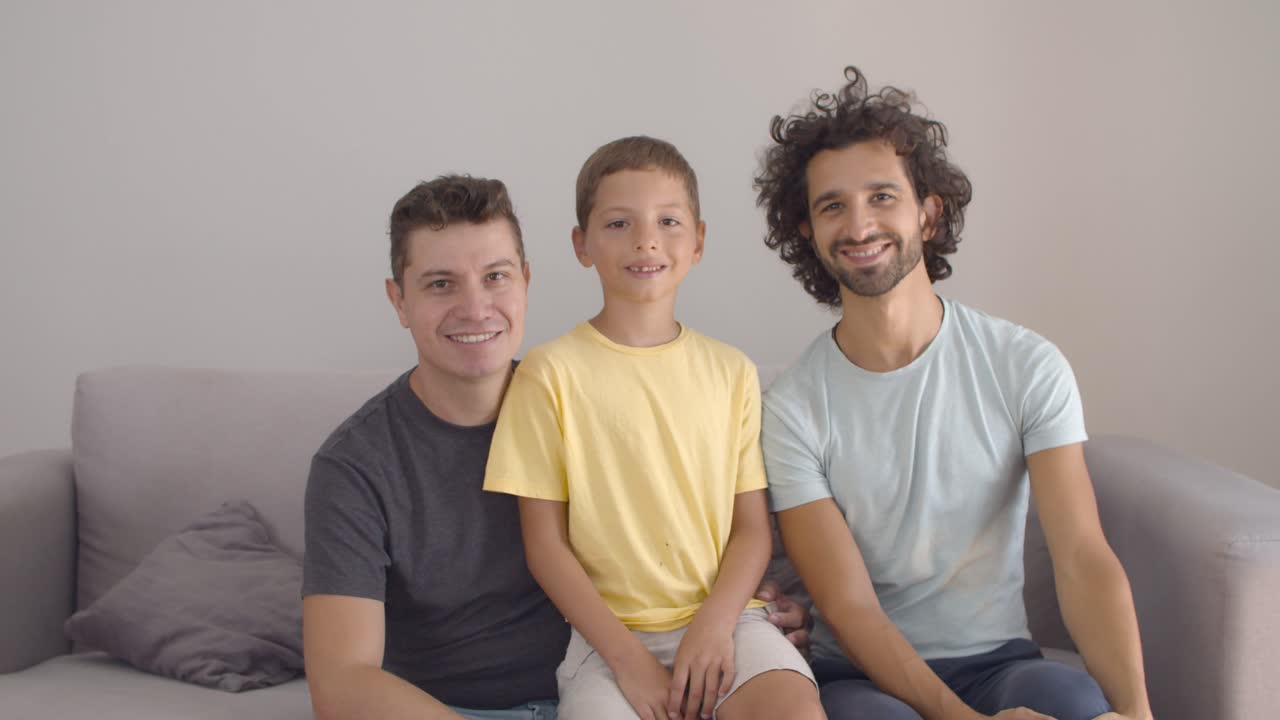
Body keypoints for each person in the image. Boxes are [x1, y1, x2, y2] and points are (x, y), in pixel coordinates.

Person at [301, 174, 806, 720]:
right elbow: (342, 682)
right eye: (440, 284)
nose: (475, 307)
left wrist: (756, 614)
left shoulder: (585, 396)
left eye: (495, 277)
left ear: (525, 281)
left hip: (632, 685)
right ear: (398, 300)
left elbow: (694, 531)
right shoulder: (355, 465)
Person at [753, 67, 1154, 720]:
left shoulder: (1025, 364)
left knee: (1078, 708)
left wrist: (1136, 711)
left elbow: (1082, 557)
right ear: (806, 230)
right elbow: (850, 607)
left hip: (1002, 663)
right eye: (832, 206)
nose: (858, 225)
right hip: (857, 675)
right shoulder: (793, 408)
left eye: (882, 196)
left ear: (929, 212)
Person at [483, 137, 825, 720]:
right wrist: (629, 659)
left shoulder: (731, 371)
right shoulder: (549, 373)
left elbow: (752, 531)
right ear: (581, 244)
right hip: (607, 642)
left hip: (730, 623)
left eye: (668, 221)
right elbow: (545, 544)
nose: (646, 240)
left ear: (698, 241)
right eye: (619, 223)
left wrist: (716, 625)